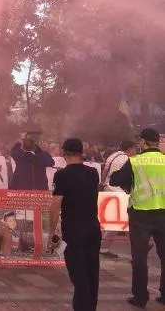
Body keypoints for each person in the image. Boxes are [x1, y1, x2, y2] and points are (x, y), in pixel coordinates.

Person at [110, 128, 165, 308]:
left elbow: (115, 180)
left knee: (140, 259)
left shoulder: (135, 161)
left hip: (141, 214)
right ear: (157, 142)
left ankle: (140, 297)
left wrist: (130, 183)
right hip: (163, 213)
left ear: (142, 141)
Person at [49, 138, 102, 311]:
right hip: (93, 227)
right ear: (81, 152)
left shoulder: (62, 175)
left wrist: (52, 233)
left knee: (78, 274)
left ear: (64, 153)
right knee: (92, 272)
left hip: (73, 229)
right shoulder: (93, 173)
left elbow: (55, 205)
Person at [99, 140, 138, 258]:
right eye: (134, 149)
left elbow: (105, 171)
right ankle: (104, 247)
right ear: (130, 149)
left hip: (108, 188)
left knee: (112, 221)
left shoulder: (113, 155)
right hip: (118, 192)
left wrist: (103, 184)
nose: (135, 151)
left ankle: (103, 246)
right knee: (118, 222)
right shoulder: (126, 159)